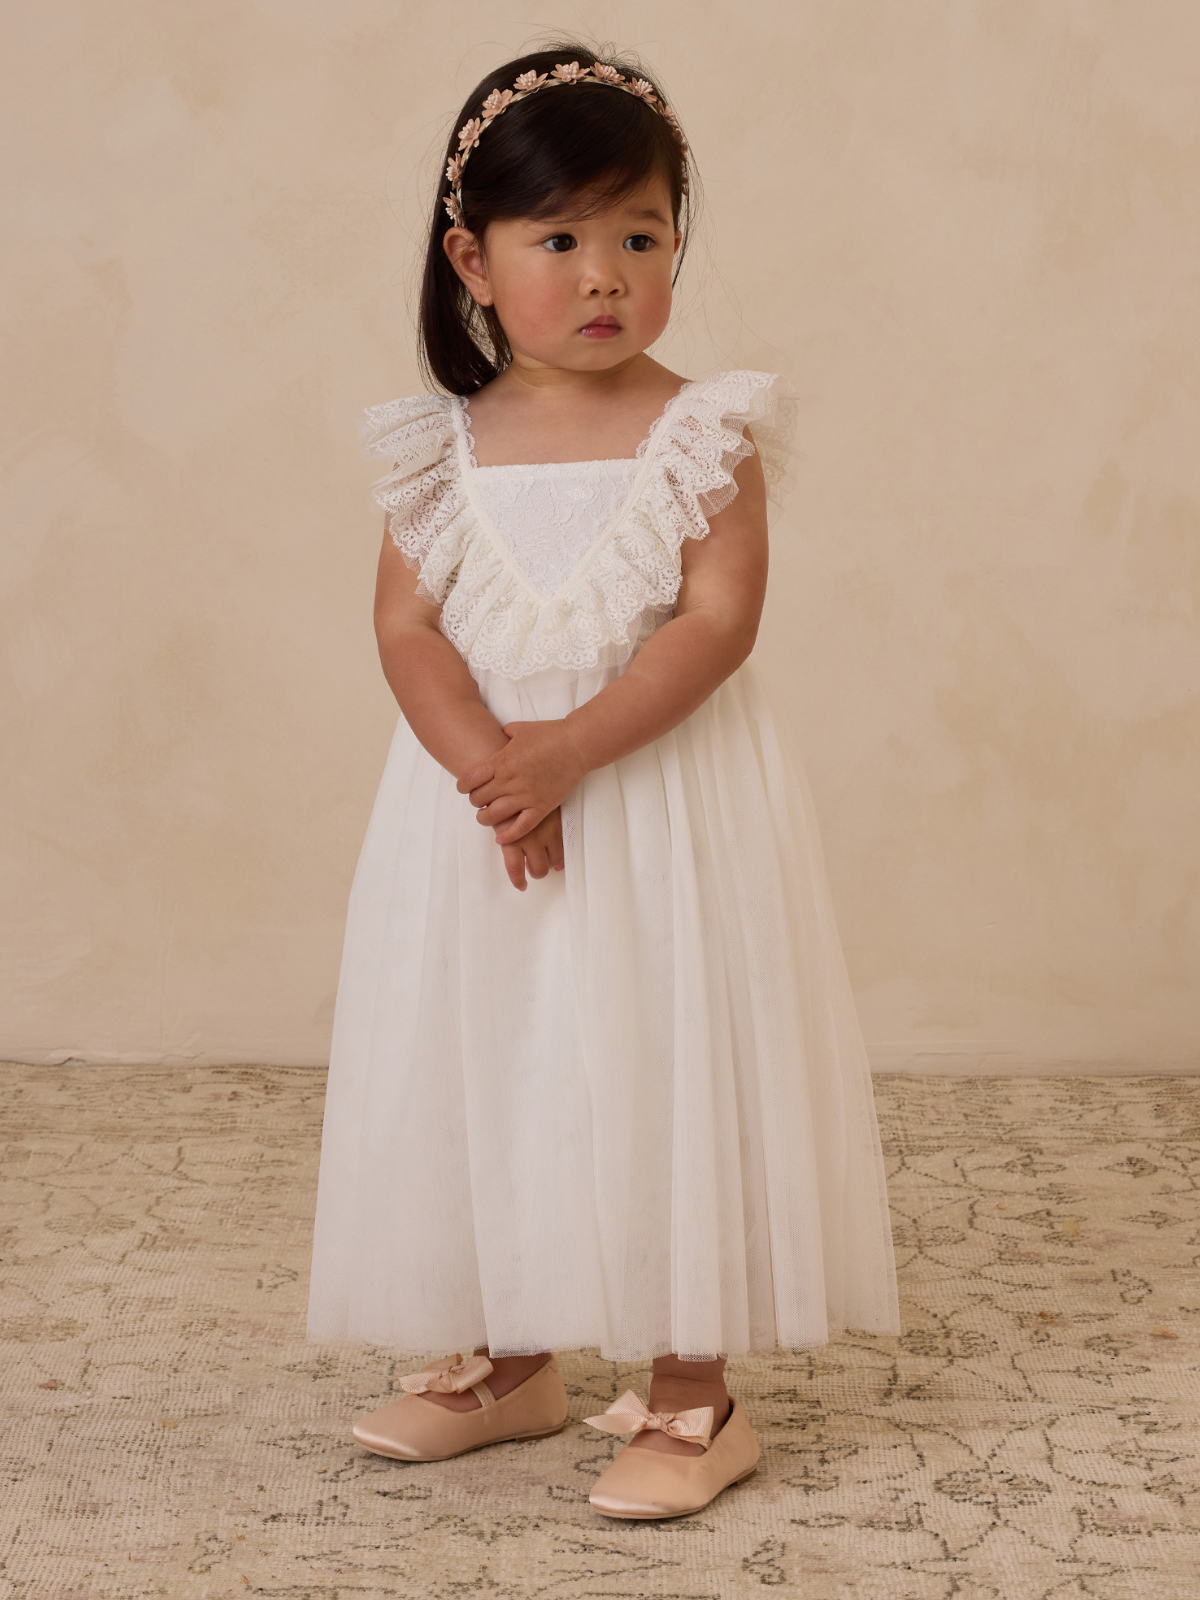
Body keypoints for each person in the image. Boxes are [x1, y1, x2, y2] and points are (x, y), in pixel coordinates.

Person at [306, 43, 900, 1520]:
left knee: (662, 1057)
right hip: (483, 819)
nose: (604, 276)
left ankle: (694, 1391)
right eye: (560, 239)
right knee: (494, 1053)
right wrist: (492, 772)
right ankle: (511, 1360)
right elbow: (406, 628)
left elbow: (718, 619)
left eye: (641, 238)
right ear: (473, 260)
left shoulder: (702, 432)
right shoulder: (441, 448)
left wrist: (569, 750)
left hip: (660, 803)